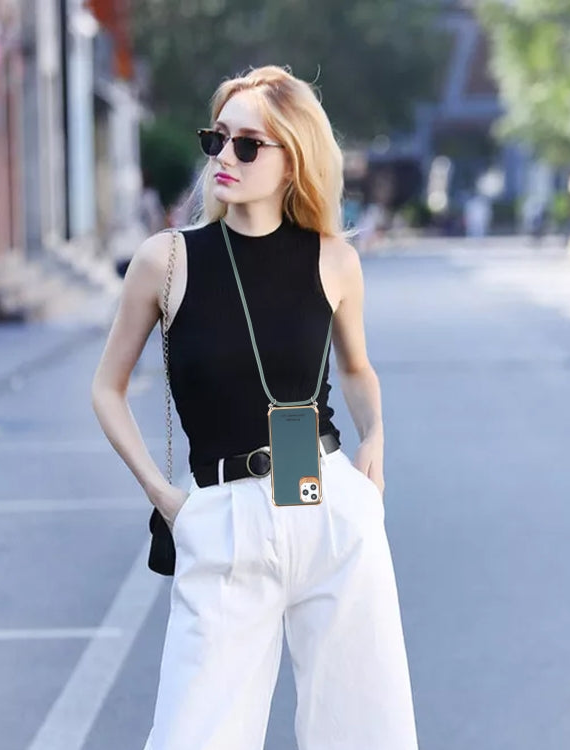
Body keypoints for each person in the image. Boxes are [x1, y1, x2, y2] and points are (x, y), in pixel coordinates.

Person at [90, 64, 421, 750]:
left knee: (363, 731)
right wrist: (164, 496)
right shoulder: (167, 261)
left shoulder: (334, 259)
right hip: (222, 517)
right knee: (193, 734)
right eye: (217, 139)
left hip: (329, 506)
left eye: (248, 145)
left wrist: (375, 439)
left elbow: (356, 370)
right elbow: (106, 388)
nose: (225, 157)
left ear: (292, 160)